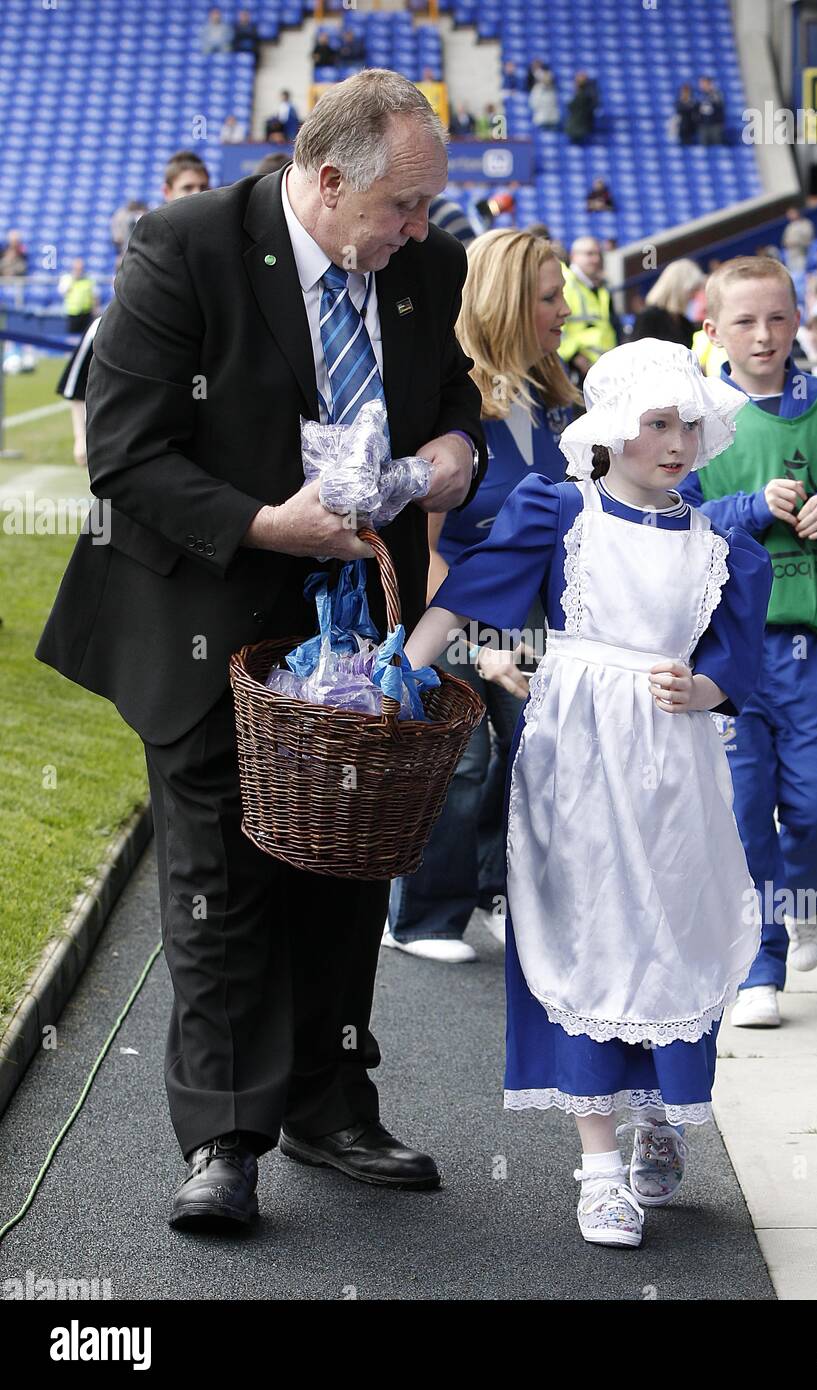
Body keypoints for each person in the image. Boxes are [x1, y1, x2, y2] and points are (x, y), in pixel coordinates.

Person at [36, 69, 486, 1232]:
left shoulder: (425, 271)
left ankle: (331, 1105)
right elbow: (127, 455)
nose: (421, 230)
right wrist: (262, 524)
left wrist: (453, 454)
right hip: (203, 613)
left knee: (343, 869)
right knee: (218, 886)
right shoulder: (186, 244)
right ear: (327, 180)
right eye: (403, 207)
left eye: (427, 209)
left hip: (358, 635)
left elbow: (453, 407)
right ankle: (224, 1138)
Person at [403, 339, 772, 1248]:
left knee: (672, 930)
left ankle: (661, 1118)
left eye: (688, 423)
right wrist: (401, 674)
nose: (676, 441)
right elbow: (472, 595)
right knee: (586, 933)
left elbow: (739, 655)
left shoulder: (718, 541)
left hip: (674, 761)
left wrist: (706, 689)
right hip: (575, 755)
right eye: (655, 424)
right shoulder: (559, 511)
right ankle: (597, 1165)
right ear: (611, 431)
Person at [678, 256, 817, 1029]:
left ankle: (802, 898)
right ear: (712, 331)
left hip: (815, 649)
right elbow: (676, 518)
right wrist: (746, 509)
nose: (763, 335)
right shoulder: (694, 420)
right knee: (740, 812)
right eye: (743, 321)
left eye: (776, 317)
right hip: (728, 653)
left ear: (798, 318)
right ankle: (757, 965)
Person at [384, 229, 579, 963]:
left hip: (531, 617)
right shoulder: (454, 408)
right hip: (453, 609)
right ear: (504, 304)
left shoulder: (558, 400)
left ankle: (497, 892)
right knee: (460, 760)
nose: (565, 309)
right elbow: (425, 549)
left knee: (531, 753)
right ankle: (422, 918)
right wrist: (480, 644)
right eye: (549, 297)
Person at [56, 153, 210, 469]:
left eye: (203, 186)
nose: (196, 194)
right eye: (187, 187)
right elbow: (81, 377)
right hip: (143, 448)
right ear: (167, 192)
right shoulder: (151, 242)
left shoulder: (219, 245)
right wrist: (80, 437)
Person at [558, 236, 619, 387]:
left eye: (598, 254)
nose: (596, 259)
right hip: (577, 371)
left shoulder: (600, 288)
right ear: (574, 256)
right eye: (589, 254)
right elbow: (558, 328)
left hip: (602, 370)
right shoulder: (566, 284)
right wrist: (576, 357)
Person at [630, 257, 704, 347]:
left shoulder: (684, 323)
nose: (693, 296)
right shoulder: (649, 318)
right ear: (679, 289)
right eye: (692, 290)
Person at [564, 72, 597, 144]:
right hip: (578, 128)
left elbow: (571, 107)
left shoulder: (583, 97)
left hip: (579, 129)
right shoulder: (583, 96)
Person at [781, 205, 815, 274]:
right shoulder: (789, 227)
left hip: (802, 255)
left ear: (797, 212)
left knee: (802, 273)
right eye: (789, 214)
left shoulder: (806, 223)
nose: (790, 215)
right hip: (791, 256)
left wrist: (796, 242)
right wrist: (788, 243)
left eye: (792, 213)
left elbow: (809, 239)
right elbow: (784, 241)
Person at [696, 75, 725, 145]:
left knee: (716, 145)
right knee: (704, 145)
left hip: (715, 125)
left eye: (703, 83)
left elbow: (718, 107)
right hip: (703, 125)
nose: (701, 85)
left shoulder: (716, 94)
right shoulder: (700, 95)